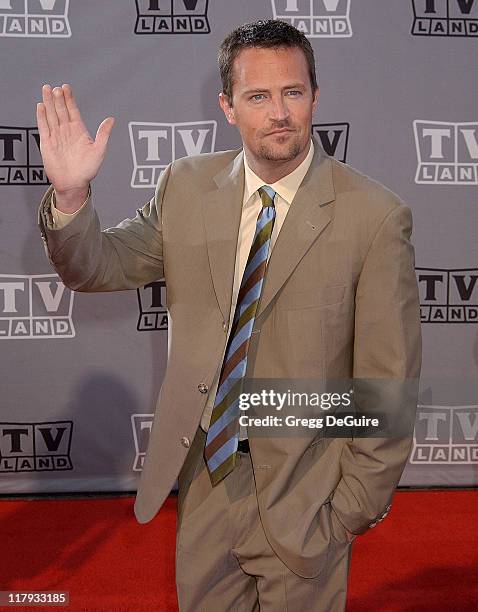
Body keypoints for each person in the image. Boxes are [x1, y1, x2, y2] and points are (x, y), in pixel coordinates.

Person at [36, 19, 421, 612]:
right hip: (207, 485)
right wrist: (69, 197)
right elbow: (97, 267)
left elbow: (386, 385)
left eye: (293, 92)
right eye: (257, 96)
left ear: (316, 96)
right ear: (227, 106)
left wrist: (347, 510)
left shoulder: (374, 216)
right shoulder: (186, 187)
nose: (279, 113)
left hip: (306, 493)